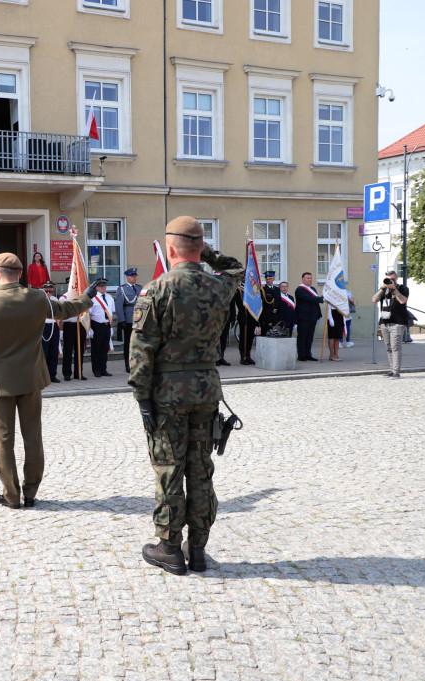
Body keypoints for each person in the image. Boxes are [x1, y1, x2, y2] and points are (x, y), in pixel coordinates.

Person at [129, 216, 245, 575]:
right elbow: (236, 268)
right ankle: (198, 550)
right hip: (207, 390)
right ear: (199, 247)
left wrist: (143, 399)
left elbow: (141, 351)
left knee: (169, 470)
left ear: (170, 248)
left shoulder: (157, 289)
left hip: (167, 394)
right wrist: (204, 251)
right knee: (200, 470)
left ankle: (168, 548)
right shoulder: (219, 286)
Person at [0, 253, 97, 509]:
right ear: (20, 274)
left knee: (5, 442)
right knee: (33, 438)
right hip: (30, 380)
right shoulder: (38, 298)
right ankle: (30, 493)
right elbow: (66, 310)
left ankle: (11, 496)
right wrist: (87, 297)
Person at [372, 269, 409, 378]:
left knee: (395, 347)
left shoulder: (403, 288)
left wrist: (394, 289)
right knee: (388, 347)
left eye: (392, 279)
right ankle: (392, 369)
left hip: (397, 322)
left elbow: (403, 300)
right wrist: (383, 288)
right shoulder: (384, 290)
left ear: (396, 278)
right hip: (385, 321)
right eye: (388, 279)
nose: (390, 281)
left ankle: (396, 371)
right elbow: (374, 299)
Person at [115, 268, 142, 373]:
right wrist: (122, 319)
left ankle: (138, 362)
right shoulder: (122, 289)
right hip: (129, 319)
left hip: (139, 319)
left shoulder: (140, 288)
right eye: (132, 276)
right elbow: (119, 305)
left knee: (139, 343)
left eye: (135, 276)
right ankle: (128, 364)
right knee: (128, 344)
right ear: (127, 277)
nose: (134, 278)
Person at [295, 272, 324, 361]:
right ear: (303, 279)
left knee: (310, 337)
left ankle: (308, 354)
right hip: (303, 317)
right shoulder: (300, 290)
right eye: (307, 278)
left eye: (311, 278)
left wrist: (319, 315)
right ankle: (301, 355)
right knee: (302, 336)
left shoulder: (313, 289)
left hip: (312, 317)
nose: (310, 280)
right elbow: (309, 298)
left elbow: (315, 304)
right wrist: (321, 299)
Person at [61, 285, 88, 381]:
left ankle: (79, 372)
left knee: (79, 350)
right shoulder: (64, 298)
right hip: (69, 325)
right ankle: (67, 373)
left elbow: (88, 312)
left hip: (80, 325)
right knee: (68, 351)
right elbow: (61, 314)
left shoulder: (81, 297)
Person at [89, 280, 114, 377]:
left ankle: (103, 369)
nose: (103, 288)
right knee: (96, 349)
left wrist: (111, 327)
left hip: (106, 325)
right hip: (96, 325)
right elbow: (89, 315)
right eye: (101, 286)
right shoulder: (93, 298)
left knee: (104, 349)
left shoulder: (110, 297)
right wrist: (90, 328)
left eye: (105, 286)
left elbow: (111, 313)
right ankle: (96, 370)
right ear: (97, 287)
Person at [41, 282, 61, 382]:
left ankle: (52, 375)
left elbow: (59, 315)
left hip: (54, 326)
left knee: (53, 352)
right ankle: (43, 376)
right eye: (47, 291)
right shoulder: (39, 301)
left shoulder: (55, 300)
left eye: (50, 291)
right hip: (44, 327)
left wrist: (60, 329)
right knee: (44, 352)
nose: (49, 293)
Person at [233, 285, 258, 365]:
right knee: (244, 337)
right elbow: (239, 303)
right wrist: (243, 316)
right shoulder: (239, 289)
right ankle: (243, 356)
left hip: (252, 316)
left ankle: (248, 355)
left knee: (250, 336)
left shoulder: (253, 288)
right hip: (244, 316)